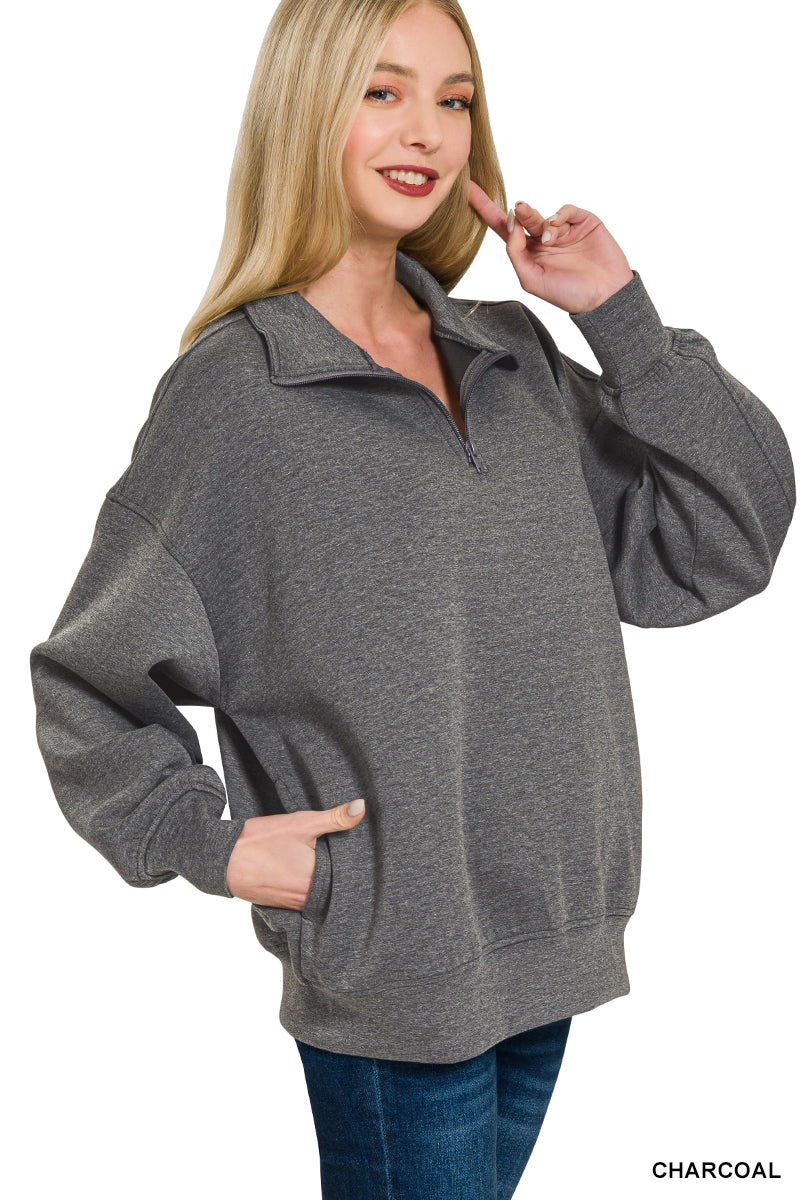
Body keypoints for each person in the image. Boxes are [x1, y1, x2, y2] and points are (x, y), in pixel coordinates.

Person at [29, 1, 795, 1197]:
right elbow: (86, 679)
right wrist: (210, 844)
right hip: (395, 975)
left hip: (551, 946)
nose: (426, 130)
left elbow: (726, 535)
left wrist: (617, 317)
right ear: (306, 109)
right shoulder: (237, 394)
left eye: (454, 99)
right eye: (381, 91)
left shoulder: (511, 357)